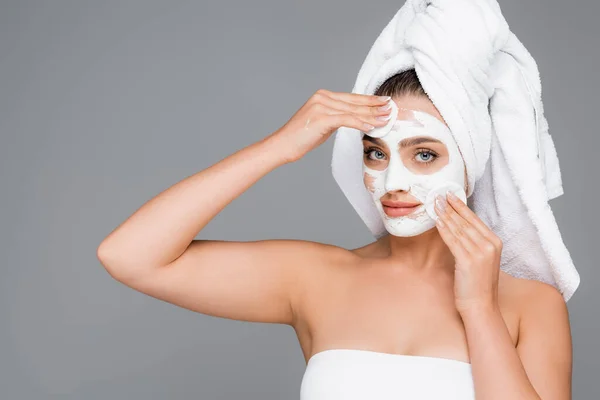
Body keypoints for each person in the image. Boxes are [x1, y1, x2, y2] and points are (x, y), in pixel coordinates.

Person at [97, 69, 573, 399]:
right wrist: (278, 147)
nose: (394, 182)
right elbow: (130, 256)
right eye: (376, 154)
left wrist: (478, 309)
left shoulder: (529, 304)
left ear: (475, 159)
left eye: (424, 154)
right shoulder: (316, 278)